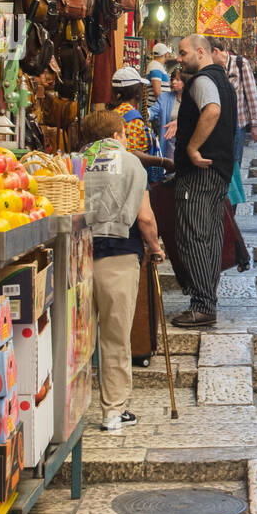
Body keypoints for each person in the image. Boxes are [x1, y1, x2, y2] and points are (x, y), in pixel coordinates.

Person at [80, 109, 166, 431]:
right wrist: (156, 249)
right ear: (117, 134)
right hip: (119, 257)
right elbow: (145, 217)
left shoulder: (76, 162)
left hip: (78, 257)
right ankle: (113, 412)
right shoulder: (132, 163)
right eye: (125, 133)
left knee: (76, 335)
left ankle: (66, 411)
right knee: (115, 336)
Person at [170, 34, 237, 329]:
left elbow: (212, 110)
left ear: (201, 52)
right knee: (209, 236)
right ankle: (206, 300)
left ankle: (202, 305)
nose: (180, 58)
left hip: (200, 172)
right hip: (219, 170)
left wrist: (192, 148)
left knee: (193, 236)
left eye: (183, 53)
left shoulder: (202, 81)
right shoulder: (224, 81)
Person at [109, 66, 171, 182]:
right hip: (131, 178)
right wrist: (163, 162)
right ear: (136, 92)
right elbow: (131, 153)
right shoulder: (132, 118)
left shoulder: (114, 111)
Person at [215, 42, 257, 169]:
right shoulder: (212, 67)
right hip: (218, 123)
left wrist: (256, 125)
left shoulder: (240, 63)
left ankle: (234, 188)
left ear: (215, 51)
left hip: (237, 122)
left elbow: (251, 94)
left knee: (235, 162)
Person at [148, 69, 185, 161]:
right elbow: (152, 111)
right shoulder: (164, 97)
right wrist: (141, 113)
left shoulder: (193, 98)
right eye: (172, 79)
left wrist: (180, 122)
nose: (173, 82)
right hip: (169, 145)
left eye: (178, 79)